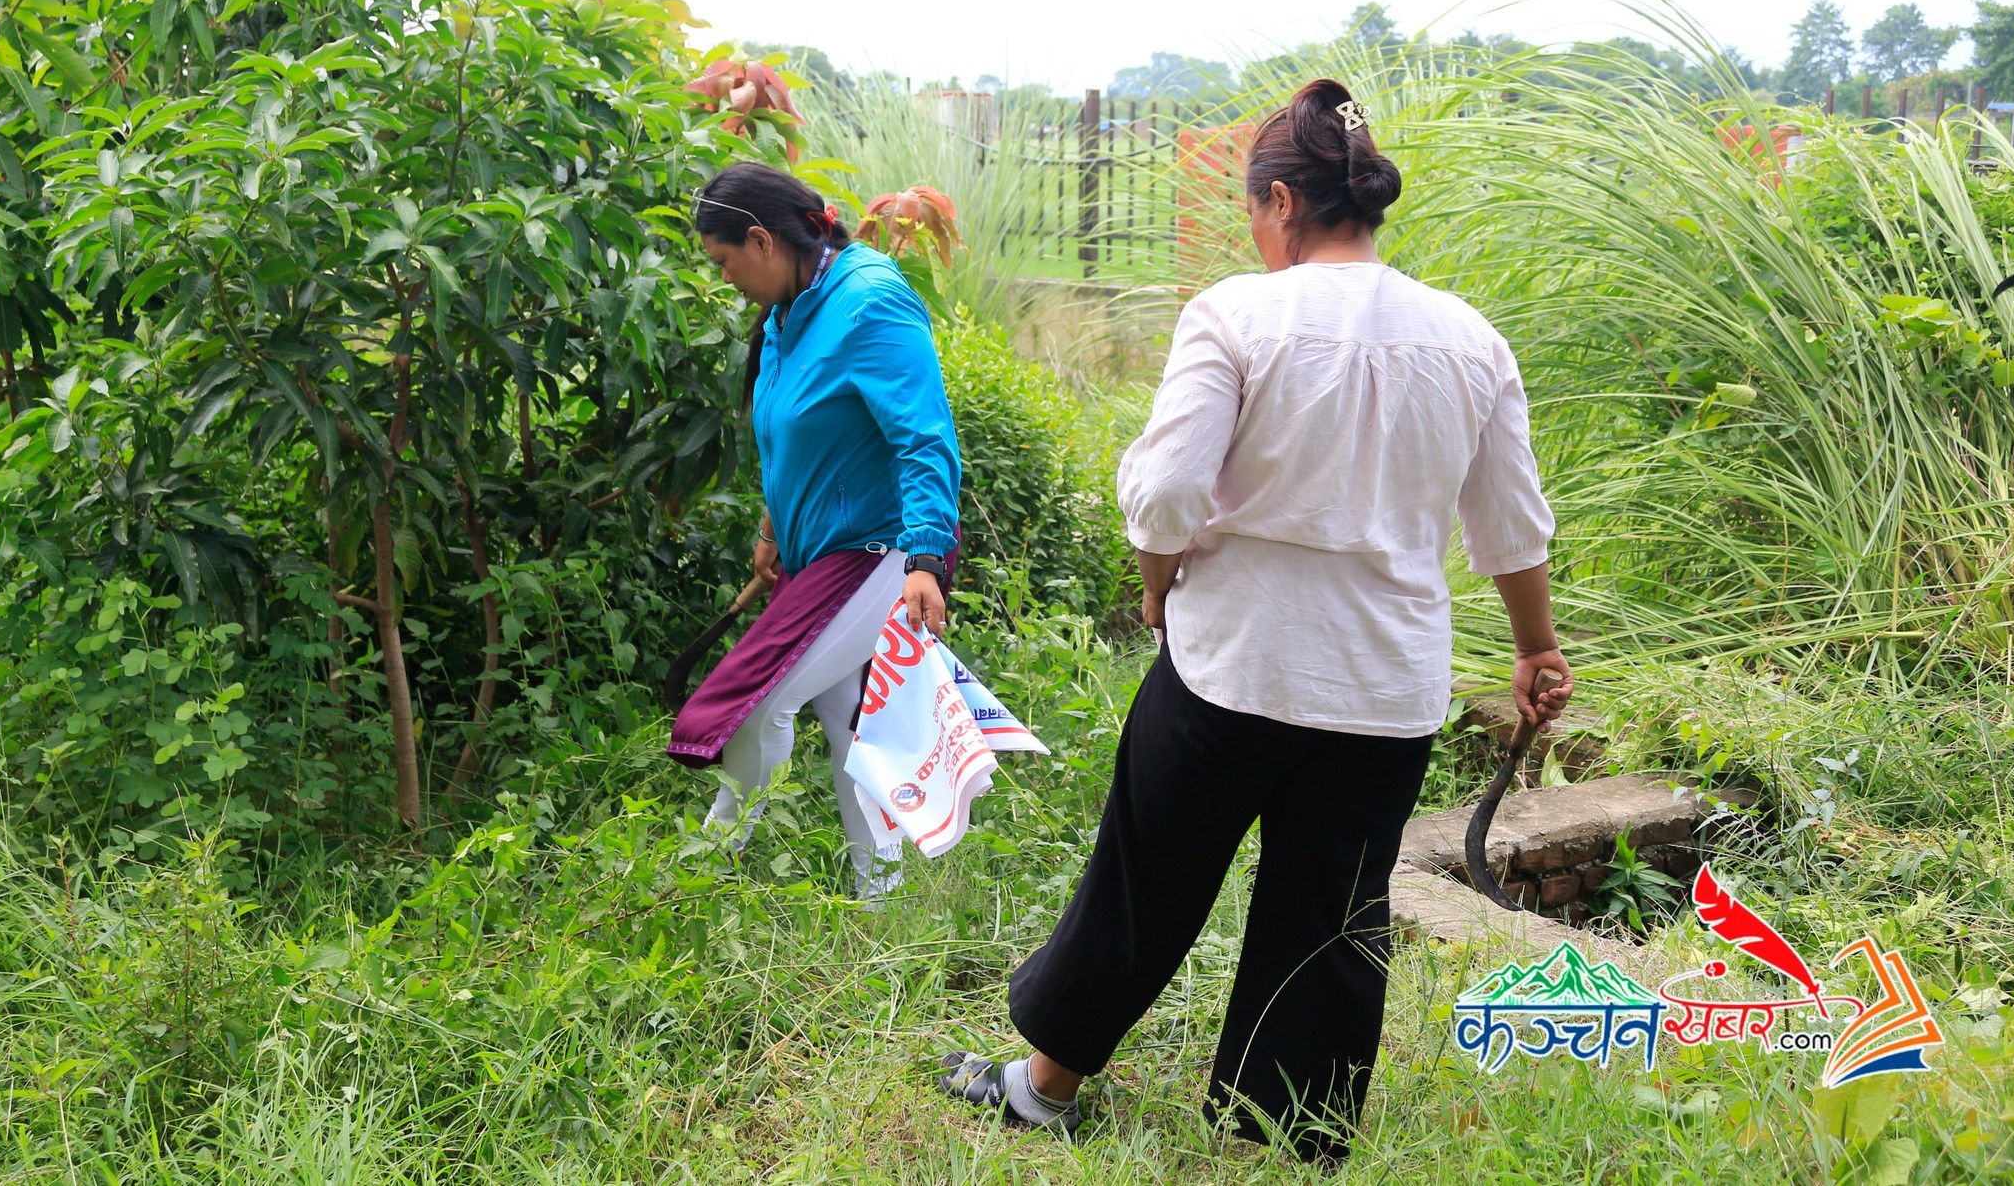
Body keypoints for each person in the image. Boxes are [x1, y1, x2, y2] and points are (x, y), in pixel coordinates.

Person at [938, 80, 1573, 1160]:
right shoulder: (1470, 340)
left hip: (1232, 667)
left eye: (1251, 212)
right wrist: (1535, 648)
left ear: (1280, 202)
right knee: (1330, 911)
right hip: (1383, 689)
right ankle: (1286, 1139)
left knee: (1147, 877)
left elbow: (1163, 496)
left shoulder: (1236, 314)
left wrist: (1153, 580)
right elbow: (1509, 525)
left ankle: (1043, 1089)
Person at [666, 161, 962, 902]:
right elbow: (793, 432)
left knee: (757, 704)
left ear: (762, 239)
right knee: (846, 721)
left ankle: (709, 868)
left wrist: (925, 558)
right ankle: (881, 901)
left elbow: (923, 436)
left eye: (724, 260)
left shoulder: (869, 303)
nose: (723, 277)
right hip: (817, 552)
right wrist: (773, 526)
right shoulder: (787, 309)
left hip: (877, 549)